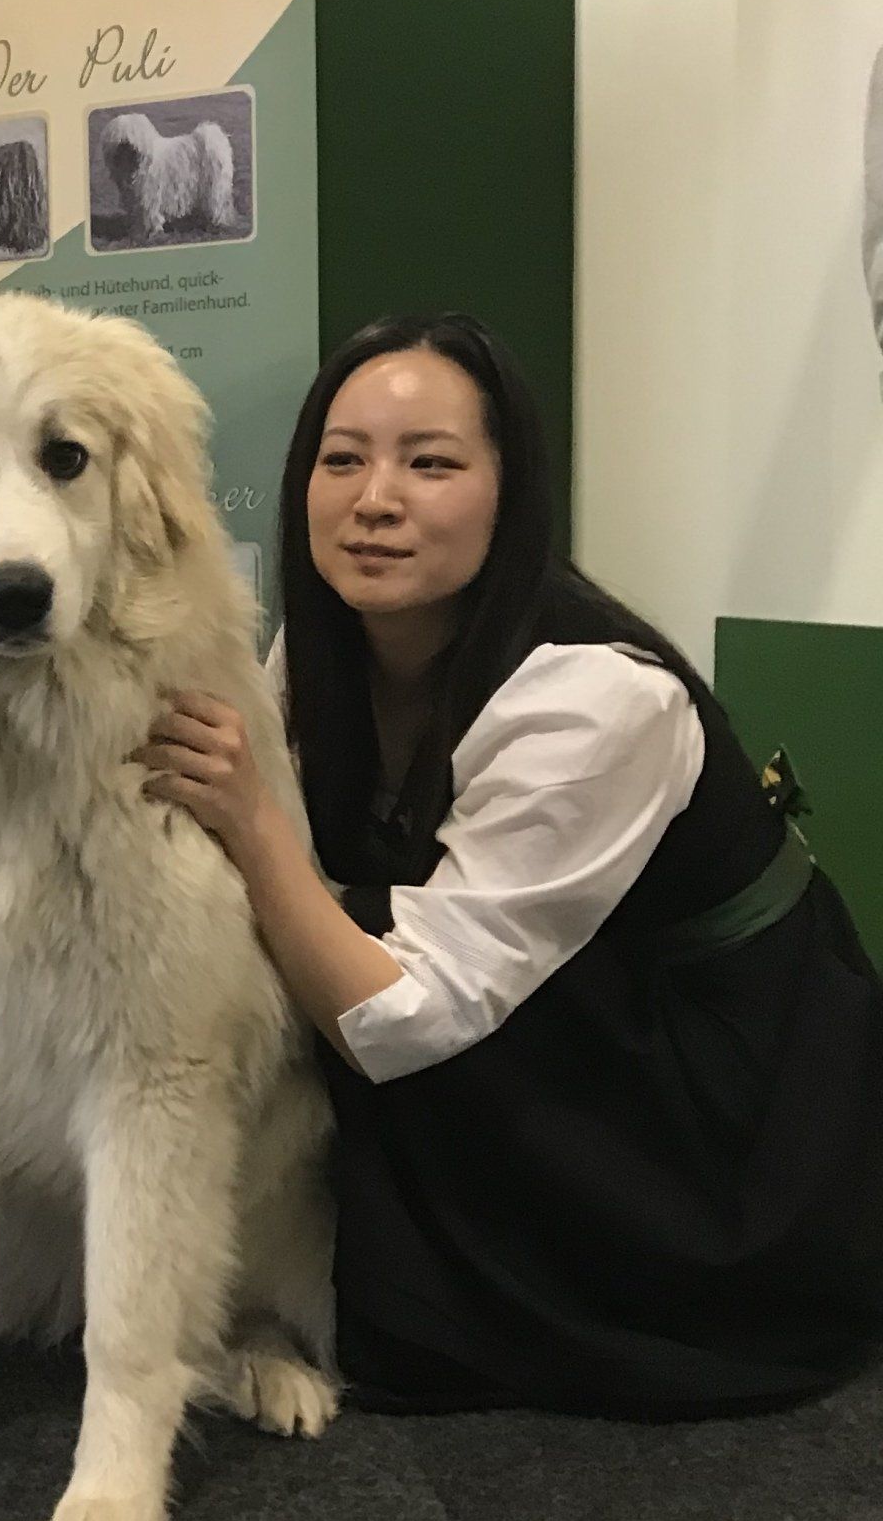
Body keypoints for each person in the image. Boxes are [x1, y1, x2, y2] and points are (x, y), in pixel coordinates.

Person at [139, 312, 883, 1418]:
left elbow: (400, 1016)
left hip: (705, 1089)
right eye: (342, 459)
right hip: (509, 998)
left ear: (510, 490)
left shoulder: (598, 698)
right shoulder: (321, 651)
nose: (375, 498)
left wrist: (252, 820)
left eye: (430, 463)